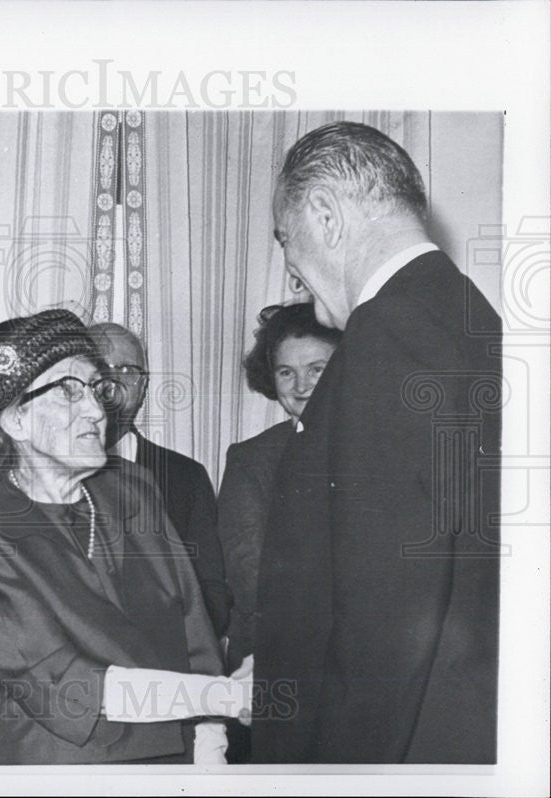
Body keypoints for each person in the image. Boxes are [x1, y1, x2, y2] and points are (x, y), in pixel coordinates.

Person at [253, 121, 501, 763]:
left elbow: (385, 621)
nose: (290, 273)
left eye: (285, 238)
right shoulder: (470, 317)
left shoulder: (387, 336)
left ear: (325, 216)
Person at [0, 309, 251, 765]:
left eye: (95, 388)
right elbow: (62, 682)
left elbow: (194, 631)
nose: (96, 409)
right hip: (68, 765)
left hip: (177, 753)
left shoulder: (132, 488)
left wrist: (211, 747)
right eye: (68, 392)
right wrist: (224, 697)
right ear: (15, 421)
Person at [217, 303, 341, 674]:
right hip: (270, 662)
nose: (301, 386)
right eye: (287, 372)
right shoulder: (251, 461)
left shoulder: (377, 453)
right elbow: (250, 581)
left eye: (317, 369)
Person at [88, 322, 231, 638]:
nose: (112, 383)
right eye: (100, 368)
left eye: (126, 370)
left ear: (143, 386)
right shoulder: (49, 471)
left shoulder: (186, 478)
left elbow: (212, 594)